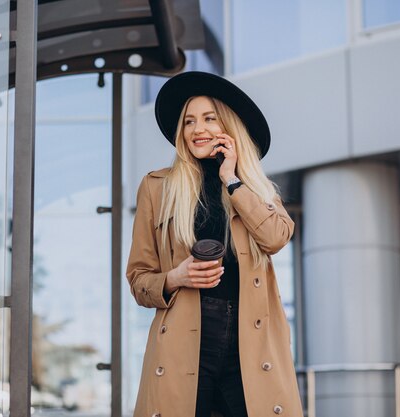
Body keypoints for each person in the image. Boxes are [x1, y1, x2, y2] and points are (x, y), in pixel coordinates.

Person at [126, 71, 302, 417]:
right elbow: (138, 279)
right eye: (189, 121)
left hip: (250, 345)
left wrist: (232, 180)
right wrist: (176, 277)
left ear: (228, 127)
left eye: (209, 118)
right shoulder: (156, 187)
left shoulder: (255, 189)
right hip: (185, 342)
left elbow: (276, 238)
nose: (197, 129)